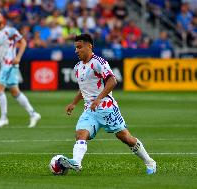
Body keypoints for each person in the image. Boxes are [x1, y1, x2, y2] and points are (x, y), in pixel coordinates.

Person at [58, 34, 156, 175]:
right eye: (75, 48)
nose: (76, 51)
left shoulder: (99, 62)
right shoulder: (78, 67)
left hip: (106, 107)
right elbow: (84, 88)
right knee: (80, 134)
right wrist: (73, 103)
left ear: (89, 46)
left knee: (125, 137)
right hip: (90, 110)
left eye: (79, 47)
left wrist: (98, 99)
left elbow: (112, 81)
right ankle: (77, 162)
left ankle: (150, 162)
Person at [0, 9, 41, 128]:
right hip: (3, 64)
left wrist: (18, 57)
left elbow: (23, 42)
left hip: (10, 63)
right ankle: (33, 114)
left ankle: (4, 118)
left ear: (2, 18)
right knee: (15, 92)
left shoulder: (11, 31)